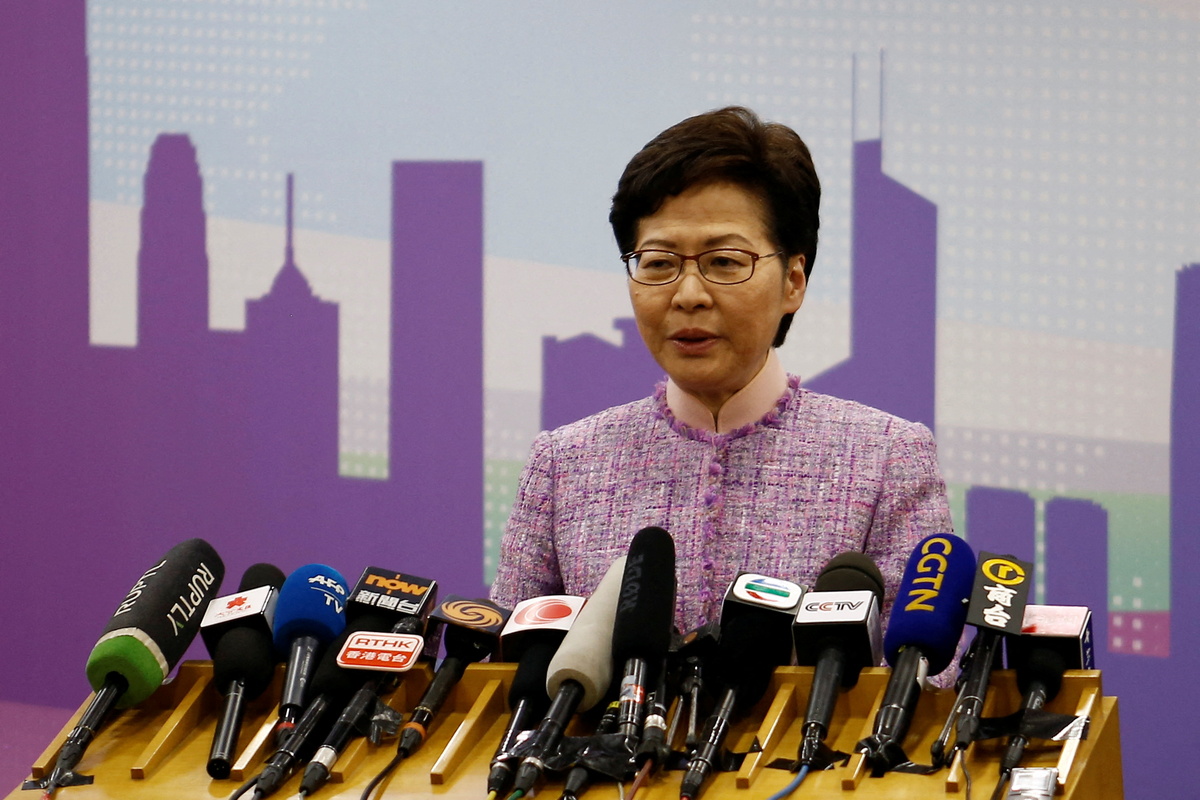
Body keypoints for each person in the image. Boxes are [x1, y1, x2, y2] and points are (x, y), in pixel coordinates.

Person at [490, 106, 953, 637]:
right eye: (658, 263)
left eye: (725, 262)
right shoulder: (564, 464)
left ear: (793, 281)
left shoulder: (887, 459)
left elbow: (923, 675)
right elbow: (500, 671)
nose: (688, 295)